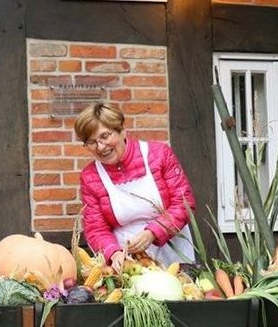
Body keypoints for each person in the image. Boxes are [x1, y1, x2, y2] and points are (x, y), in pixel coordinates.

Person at [75, 102, 196, 270]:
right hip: (129, 263)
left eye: (105, 136)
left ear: (122, 131)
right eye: (91, 142)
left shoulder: (159, 154)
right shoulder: (91, 177)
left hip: (174, 254)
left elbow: (183, 204)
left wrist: (153, 232)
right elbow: (96, 229)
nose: (101, 147)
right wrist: (114, 253)